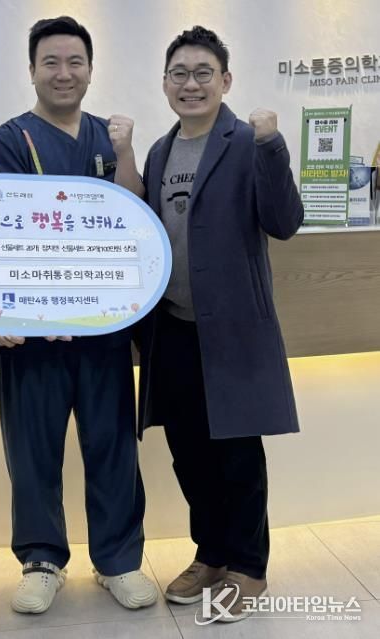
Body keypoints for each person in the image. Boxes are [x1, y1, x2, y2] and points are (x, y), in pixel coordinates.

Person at [0, 16, 158, 614]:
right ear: (32, 70)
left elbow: (136, 216)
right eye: (51, 63)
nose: (64, 73)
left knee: (113, 446)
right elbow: (2, 231)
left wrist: (126, 152)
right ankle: (41, 561)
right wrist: (6, 312)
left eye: (75, 62)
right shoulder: (11, 139)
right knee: (33, 449)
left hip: (102, 329)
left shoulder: (109, 137)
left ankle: (119, 560)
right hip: (33, 335)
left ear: (90, 69)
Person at [137, 26, 304, 622]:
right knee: (188, 452)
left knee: (237, 454)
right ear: (165, 83)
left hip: (231, 331)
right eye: (179, 74)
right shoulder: (159, 152)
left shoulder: (247, 141)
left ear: (225, 81)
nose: (191, 84)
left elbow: (284, 221)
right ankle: (210, 553)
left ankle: (248, 566)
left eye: (203, 73)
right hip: (174, 329)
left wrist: (273, 145)